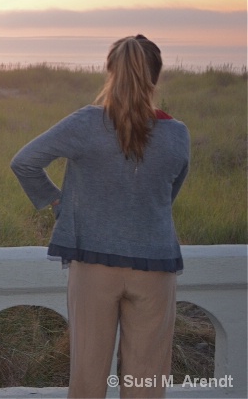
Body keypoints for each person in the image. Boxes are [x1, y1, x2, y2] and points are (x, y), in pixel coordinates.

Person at [10, 35, 190, 399]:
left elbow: (24, 162)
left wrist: (57, 202)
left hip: (93, 266)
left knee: (88, 379)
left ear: (110, 72)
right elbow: (167, 197)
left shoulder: (86, 123)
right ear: (156, 76)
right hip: (154, 267)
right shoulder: (177, 135)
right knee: (147, 381)